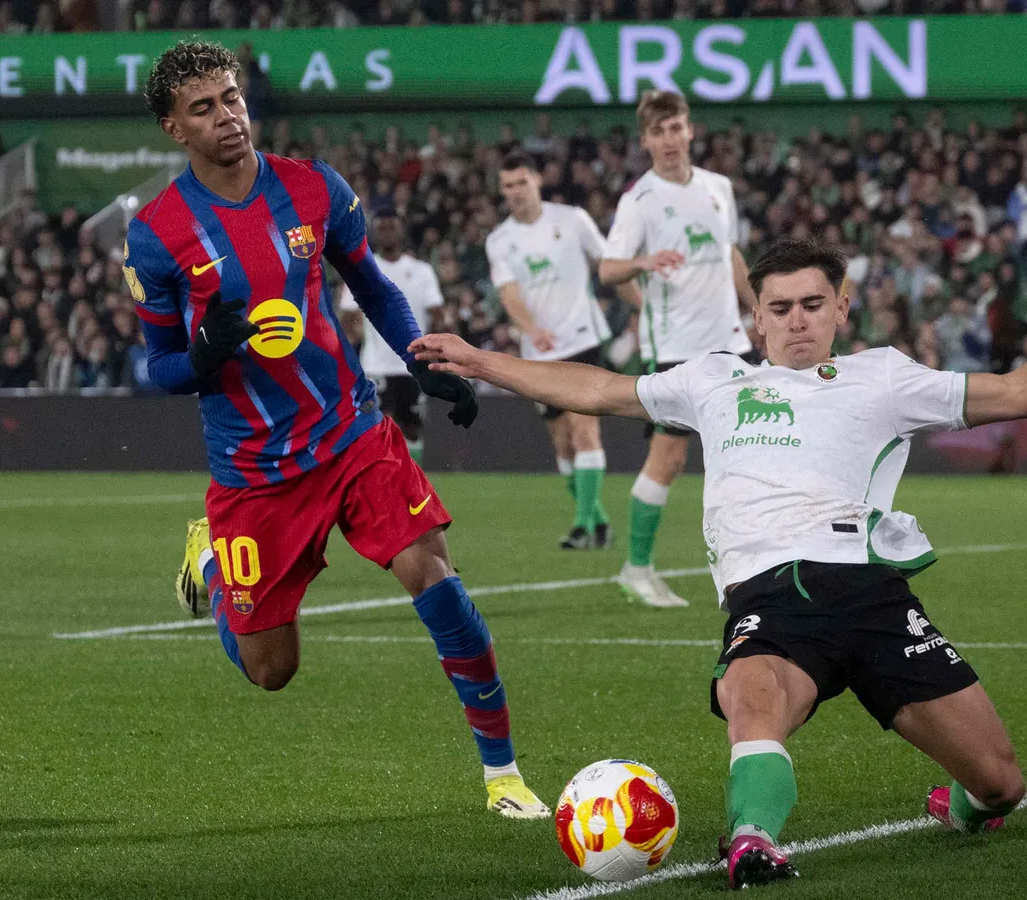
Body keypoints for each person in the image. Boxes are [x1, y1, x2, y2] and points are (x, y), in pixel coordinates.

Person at [410, 237, 1026, 889]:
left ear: (842, 308)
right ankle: (751, 838)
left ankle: (964, 804)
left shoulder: (886, 378)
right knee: (749, 693)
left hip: (870, 592)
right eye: (780, 307)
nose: (797, 320)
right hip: (770, 600)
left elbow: (1012, 392)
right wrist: (482, 361)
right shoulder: (714, 380)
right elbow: (598, 387)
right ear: (755, 316)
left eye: (813, 304)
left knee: (1001, 783)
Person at [128, 40, 548, 819]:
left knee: (438, 581)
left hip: (353, 433)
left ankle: (502, 773)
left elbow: (375, 286)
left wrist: (422, 358)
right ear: (173, 129)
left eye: (231, 98)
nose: (227, 117)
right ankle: (215, 569)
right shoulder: (157, 235)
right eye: (203, 108)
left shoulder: (313, 188)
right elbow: (153, 368)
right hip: (254, 472)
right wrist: (201, 354)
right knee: (270, 671)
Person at [600, 90, 757, 607]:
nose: (669, 139)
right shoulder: (639, 200)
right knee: (668, 458)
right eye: (658, 131)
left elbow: (729, 252)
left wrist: (757, 308)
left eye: (676, 128)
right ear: (646, 140)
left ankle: (750, 565)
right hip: (674, 347)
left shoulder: (718, 188)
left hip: (730, 343)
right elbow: (608, 268)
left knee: (745, 454)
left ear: (691, 130)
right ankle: (637, 568)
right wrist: (643, 264)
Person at [485, 150, 616, 550]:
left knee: (584, 428)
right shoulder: (500, 240)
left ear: (538, 180)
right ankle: (598, 522)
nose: (516, 192)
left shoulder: (572, 219)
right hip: (538, 350)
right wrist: (531, 329)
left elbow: (608, 261)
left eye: (522, 182)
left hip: (582, 338)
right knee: (561, 441)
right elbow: (509, 293)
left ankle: (580, 526)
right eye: (508, 186)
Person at [338, 207, 444, 464]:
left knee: (412, 428)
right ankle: (385, 482)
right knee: (379, 425)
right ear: (373, 233)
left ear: (402, 230)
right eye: (381, 228)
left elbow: (437, 313)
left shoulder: (421, 271)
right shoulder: (362, 270)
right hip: (376, 365)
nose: (387, 233)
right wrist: (359, 337)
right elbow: (347, 316)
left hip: (414, 365)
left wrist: (434, 348)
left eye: (391, 227)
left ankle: (414, 482)